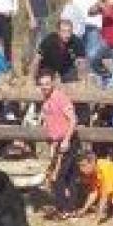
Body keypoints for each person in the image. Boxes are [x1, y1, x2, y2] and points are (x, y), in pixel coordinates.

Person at [37, 70, 80, 212]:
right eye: (42, 84)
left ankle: (63, 208)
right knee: (69, 176)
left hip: (68, 141)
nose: (44, 87)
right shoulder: (46, 101)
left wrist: (67, 140)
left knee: (59, 176)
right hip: (57, 143)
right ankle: (70, 207)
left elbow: (73, 119)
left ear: (53, 83)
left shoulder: (60, 97)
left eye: (47, 84)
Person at [36, 17, 86, 83]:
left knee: (73, 78)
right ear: (58, 32)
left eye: (69, 31)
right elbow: (36, 60)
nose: (67, 34)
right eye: (64, 31)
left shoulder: (76, 41)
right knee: (46, 81)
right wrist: (33, 80)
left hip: (66, 69)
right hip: (48, 67)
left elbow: (81, 62)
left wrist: (83, 80)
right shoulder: (49, 40)